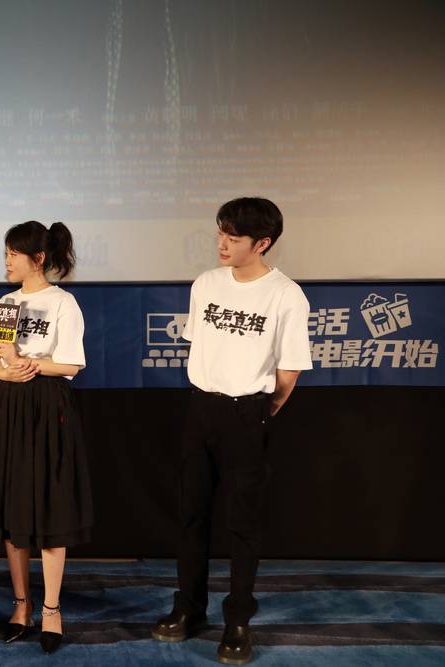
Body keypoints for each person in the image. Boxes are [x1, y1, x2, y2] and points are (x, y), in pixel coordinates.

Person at [151, 197, 312, 665]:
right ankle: (189, 607)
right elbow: (200, 346)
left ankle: (238, 619)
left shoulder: (286, 295)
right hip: (201, 407)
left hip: (248, 412)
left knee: (242, 524)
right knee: (191, 515)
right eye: (220, 232)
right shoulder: (206, 283)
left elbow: (288, 372)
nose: (222, 243)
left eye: (234, 237)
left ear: (262, 243)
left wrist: (258, 410)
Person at [0, 220, 91, 654]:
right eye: (6, 252)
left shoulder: (63, 302)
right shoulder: (4, 303)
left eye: (14, 253)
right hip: (9, 405)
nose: (7, 261)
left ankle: (51, 609)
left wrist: (29, 364)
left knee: (50, 505)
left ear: (38, 258)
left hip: (48, 405)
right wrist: (5, 370)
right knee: (13, 505)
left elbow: (71, 364)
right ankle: (21, 604)